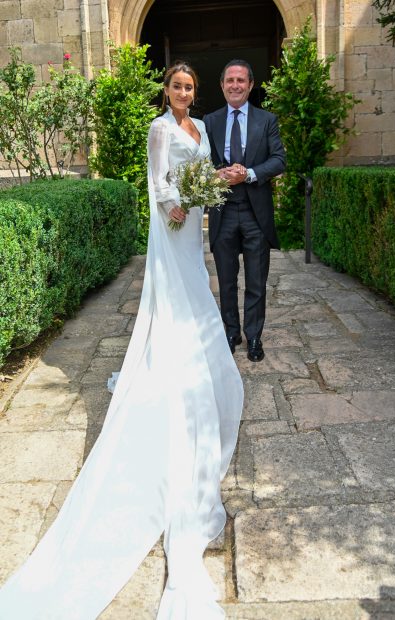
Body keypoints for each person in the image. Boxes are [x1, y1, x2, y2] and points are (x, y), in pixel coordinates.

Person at [0, 62, 243, 620]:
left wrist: (209, 187)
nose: (184, 93)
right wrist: (174, 204)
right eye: (177, 87)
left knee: (200, 296)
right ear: (167, 91)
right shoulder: (161, 129)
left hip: (195, 224)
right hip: (173, 224)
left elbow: (199, 171)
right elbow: (159, 182)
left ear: (194, 94)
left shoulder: (201, 130)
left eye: (190, 88)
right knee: (177, 297)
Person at [204, 59, 286, 362]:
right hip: (223, 210)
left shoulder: (267, 121)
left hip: (255, 214)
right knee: (225, 280)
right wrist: (219, 174)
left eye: (241, 80)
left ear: (250, 85)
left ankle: (254, 338)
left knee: (256, 281)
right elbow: (203, 163)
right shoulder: (209, 122)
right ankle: (231, 332)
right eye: (230, 81)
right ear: (222, 86)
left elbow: (278, 160)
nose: (235, 86)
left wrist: (249, 173)